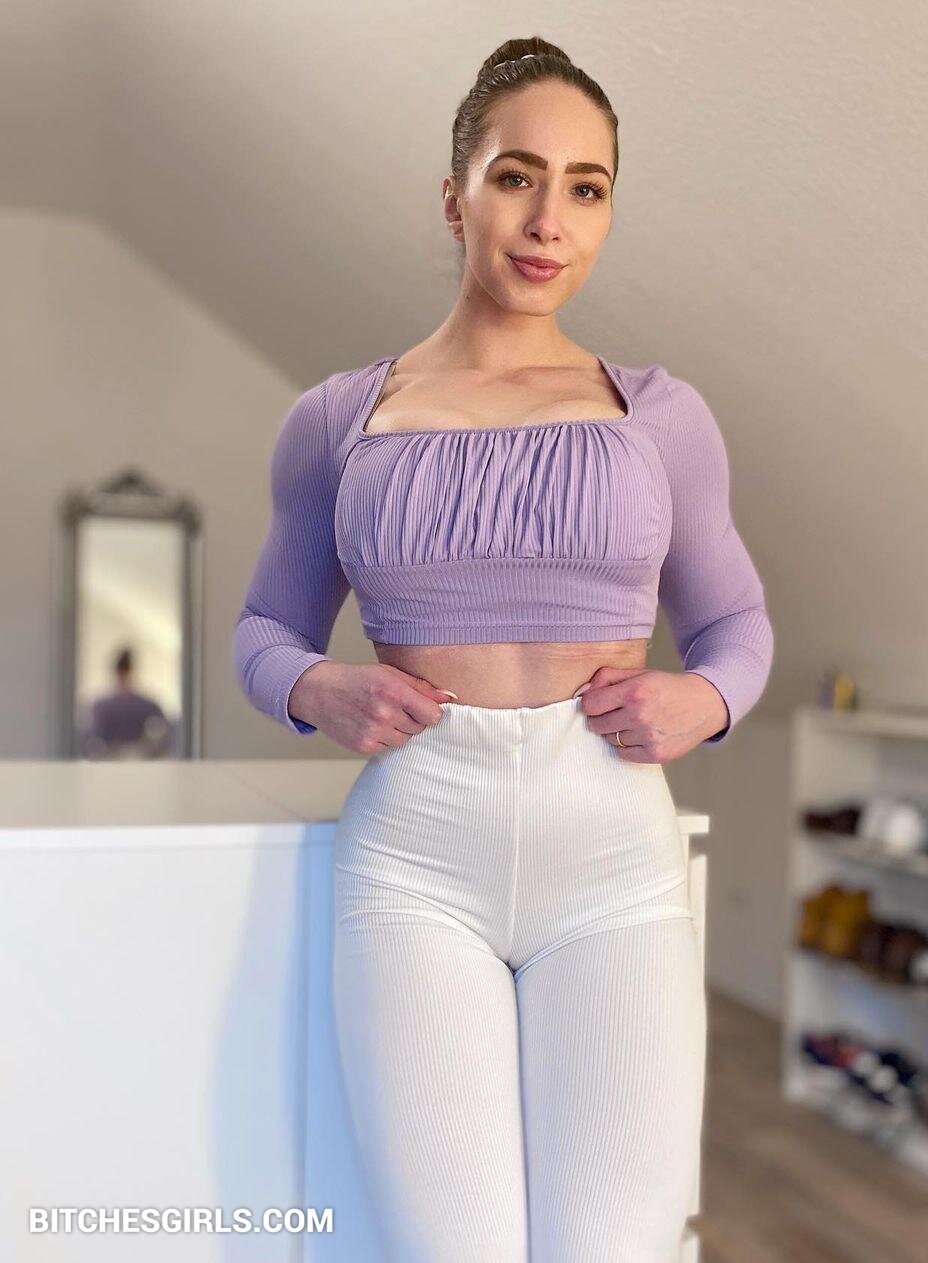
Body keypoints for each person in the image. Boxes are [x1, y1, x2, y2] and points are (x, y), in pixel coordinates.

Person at [233, 35, 774, 1263]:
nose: (548, 221)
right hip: (416, 865)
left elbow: (737, 626)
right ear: (455, 196)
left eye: (587, 188)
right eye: (517, 176)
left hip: (615, 866)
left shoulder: (659, 417)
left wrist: (704, 701)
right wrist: (320, 688)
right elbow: (264, 631)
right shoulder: (339, 420)